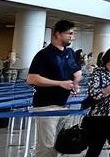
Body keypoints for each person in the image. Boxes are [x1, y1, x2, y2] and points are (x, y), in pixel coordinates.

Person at [27, 20, 82, 157]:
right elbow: (32, 78)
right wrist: (59, 83)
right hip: (46, 104)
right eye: (69, 33)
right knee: (47, 146)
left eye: (73, 34)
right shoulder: (44, 55)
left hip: (62, 104)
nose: (72, 36)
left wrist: (75, 83)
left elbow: (76, 71)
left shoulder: (69, 52)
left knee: (59, 145)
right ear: (57, 34)